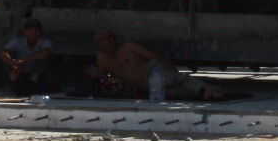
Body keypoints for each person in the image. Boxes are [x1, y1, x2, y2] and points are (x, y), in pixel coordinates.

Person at [87, 28, 226, 102]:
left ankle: (207, 87)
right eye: (104, 38)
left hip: (150, 71)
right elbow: (104, 79)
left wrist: (169, 66)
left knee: (177, 79)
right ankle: (208, 93)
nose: (109, 41)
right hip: (144, 86)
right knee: (177, 92)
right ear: (99, 42)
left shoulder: (128, 47)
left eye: (110, 37)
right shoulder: (102, 58)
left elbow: (153, 55)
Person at [0, 19, 54, 93]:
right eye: (31, 30)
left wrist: (24, 61)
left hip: (37, 75)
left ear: (40, 32)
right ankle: (15, 83)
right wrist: (13, 63)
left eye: (36, 30)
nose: (34, 33)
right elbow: (3, 53)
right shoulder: (17, 42)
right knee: (7, 58)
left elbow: (46, 53)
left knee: (45, 60)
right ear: (25, 32)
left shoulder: (45, 42)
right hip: (21, 72)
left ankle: (33, 84)